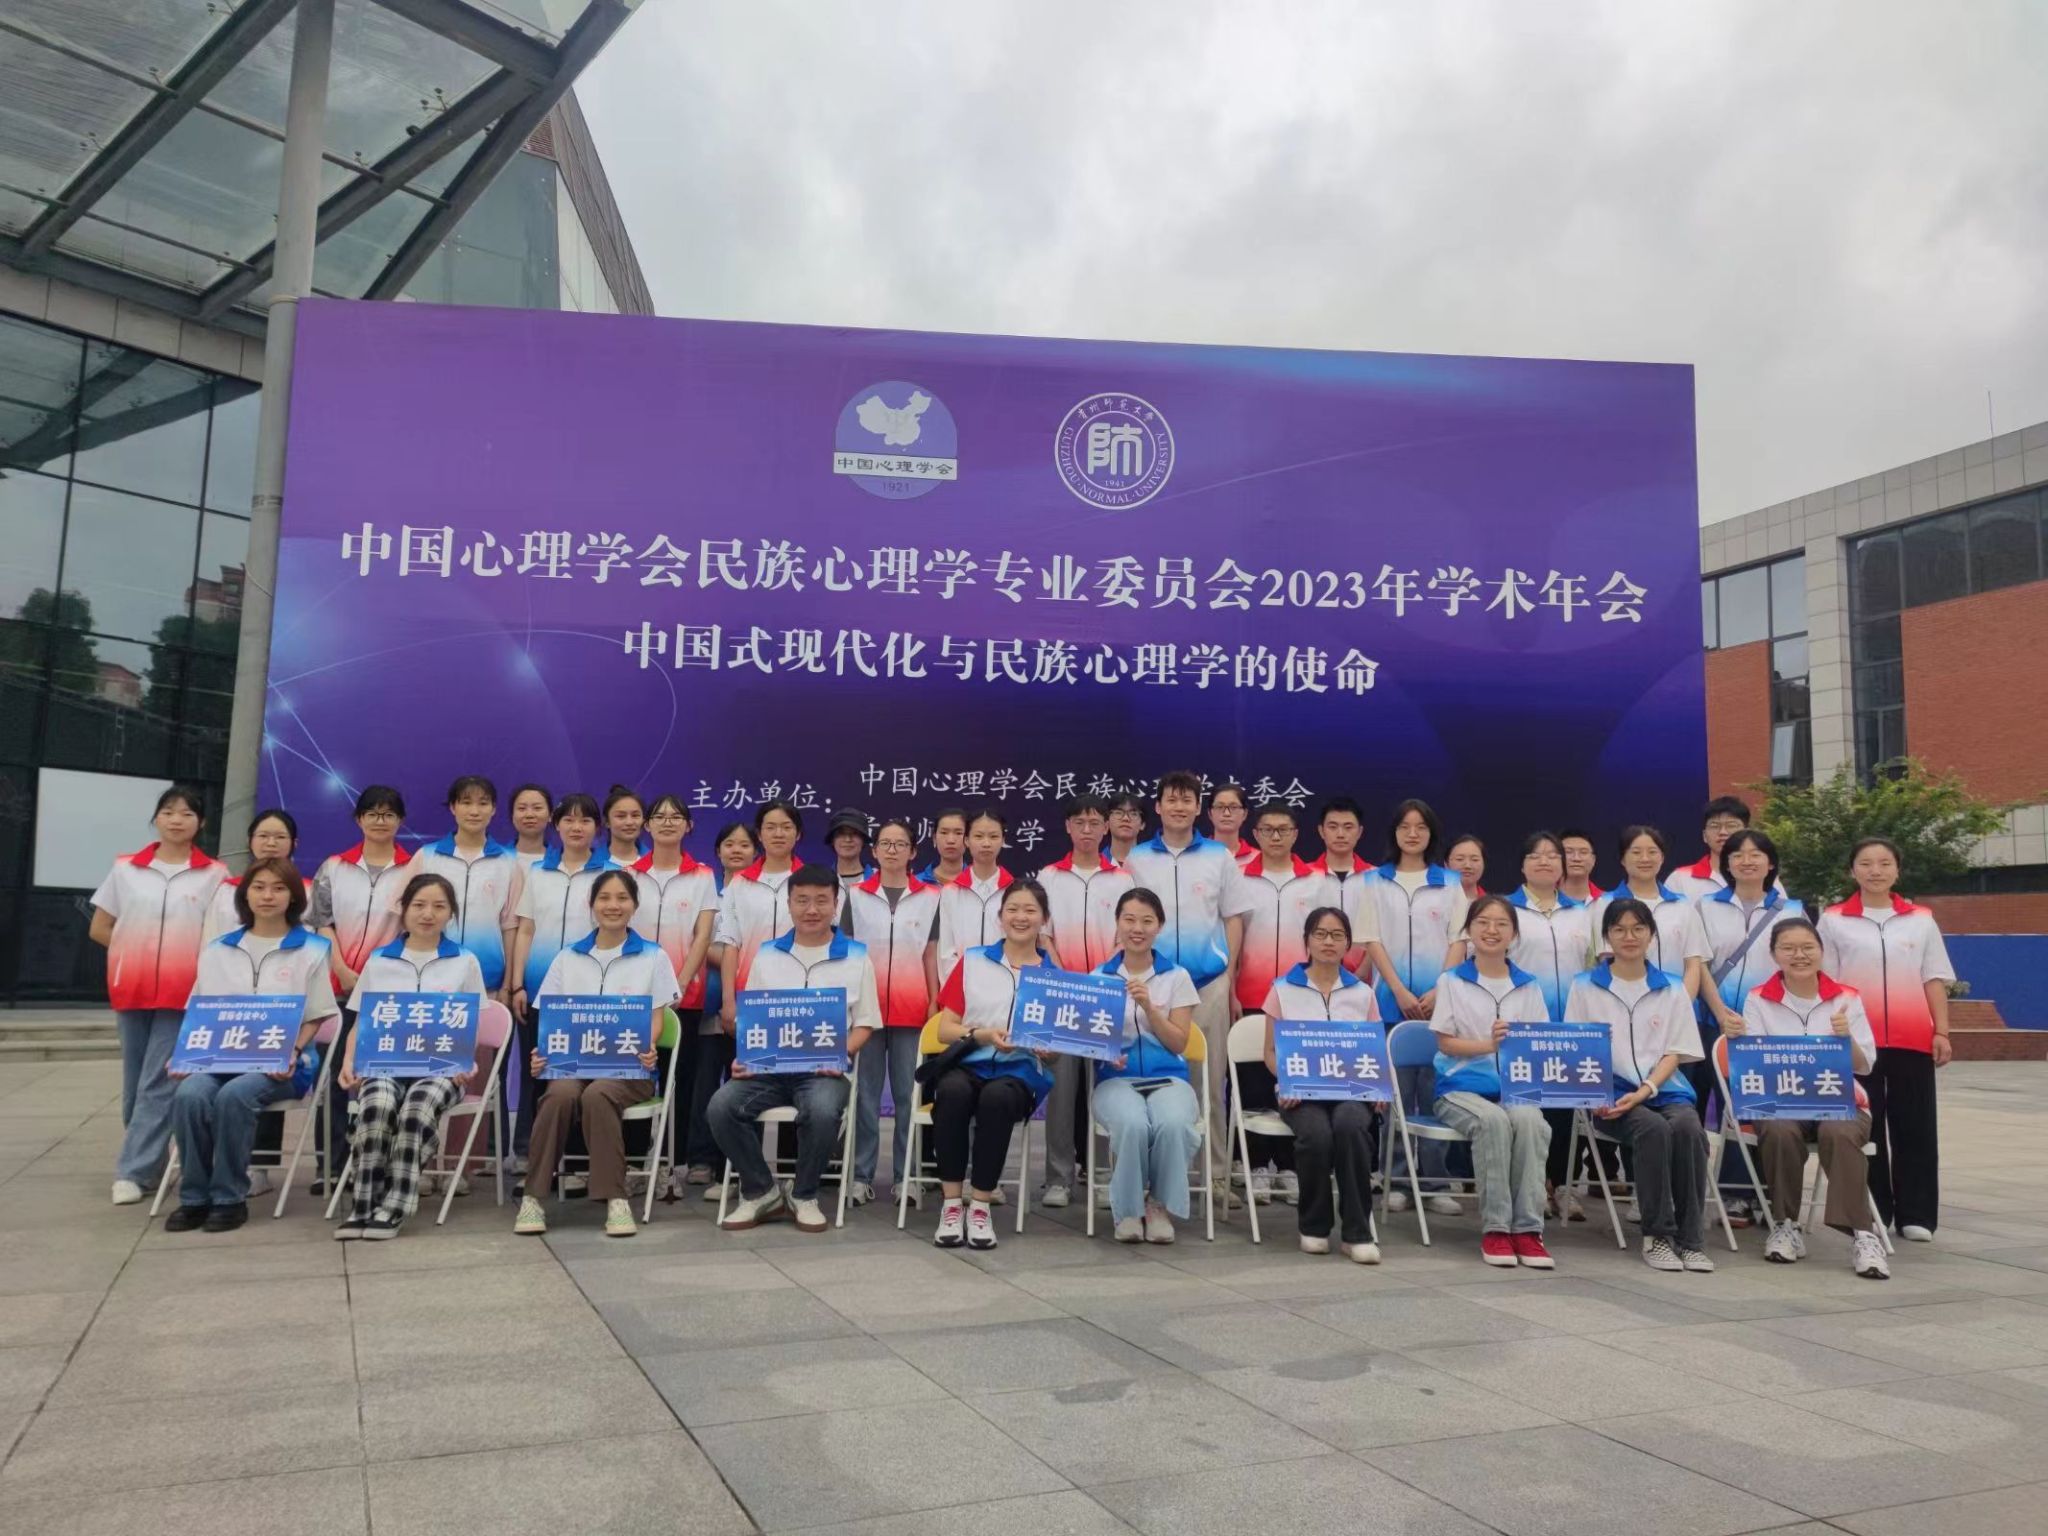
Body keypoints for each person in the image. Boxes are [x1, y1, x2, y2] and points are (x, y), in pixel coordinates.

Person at [165, 858, 336, 1232]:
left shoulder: (312, 949)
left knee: (234, 1096)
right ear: (245, 895)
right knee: (189, 1096)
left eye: (278, 888)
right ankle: (194, 1197)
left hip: (286, 1064)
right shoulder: (218, 949)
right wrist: (184, 1055)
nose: (267, 896)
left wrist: (293, 1051)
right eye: (259, 887)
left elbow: (317, 1015)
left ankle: (229, 1197)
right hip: (221, 1059)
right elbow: (201, 1011)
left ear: (294, 897)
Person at [710, 864, 880, 1231]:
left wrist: (843, 1054)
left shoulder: (856, 957)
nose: (811, 909)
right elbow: (754, 1018)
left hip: (824, 1071)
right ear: (789, 904)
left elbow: (865, 1023)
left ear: (836, 905)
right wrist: (744, 1057)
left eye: (821, 901)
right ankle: (761, 1191)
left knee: (821, 1110)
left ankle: (804, 1194)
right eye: (802, 900)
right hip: (768, 1070)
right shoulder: (767, 954)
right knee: (722, 1107)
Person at [515, 870, 677, 1238]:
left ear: (634, 905)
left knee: (599, 1093)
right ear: (591, 905)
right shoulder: (567, 957)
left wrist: (648, 1047)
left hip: (629, 1069)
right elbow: (552, 1020)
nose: (613, 905)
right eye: (604, 898)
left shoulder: (653, 957)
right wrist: (542, 1055)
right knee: (558, 1095)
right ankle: (533, 1197)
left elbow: (656, 1018)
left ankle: (615, 1198)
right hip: (572, 1067)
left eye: (622, 898)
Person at [92, 784, 227, 1206]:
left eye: (187, 813)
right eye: (168, 812)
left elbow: (216, 934)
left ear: (200, 823)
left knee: (159, 1080)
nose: (176, 820)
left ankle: (131, 1171)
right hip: (130, 987)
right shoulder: (126, 869)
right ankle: (150, 1164)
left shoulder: (214, 874)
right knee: (134, 1083)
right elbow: (100, 927)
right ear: (156, 819)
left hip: (181, 992)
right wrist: (129, 953)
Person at [334, 873, 489, 1240]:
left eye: (439, 906)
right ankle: (363, 1206)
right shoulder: (380, 960)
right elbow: (362, 1022)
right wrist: (348, 1060)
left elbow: (472, 1025)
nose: (428, 914)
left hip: (441, 1072)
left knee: (417, 1108)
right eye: (419, 905)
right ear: (403, 910)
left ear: (451, 913)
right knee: (377, 1106)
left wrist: (465, 1062)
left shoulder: (465, 961)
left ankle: (395, 1206)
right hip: (385, 1066)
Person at [1732, 916, 1888, 1277]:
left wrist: (1846, 1038)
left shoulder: (1847, 998)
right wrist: (1737, 1035)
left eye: (1807, 947)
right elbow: (1753, 1060)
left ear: (1821, 950)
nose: (1798, 955)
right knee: (1779, 1130)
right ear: (1774, 954)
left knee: (1840, 1132)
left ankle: (1863, 1234)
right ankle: (1785, 1224)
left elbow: (1864, 1065)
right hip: (1781, 1102)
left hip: (1839, 1100)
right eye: (1788, 948)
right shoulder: (1758, 999)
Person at [1818, 838, 1956, 1243]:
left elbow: (1934, 978)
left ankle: (1918, 1214)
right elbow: (1825, 983)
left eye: (1884, 863)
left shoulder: (1921, 920)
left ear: (1897, 870)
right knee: (1867, 1124)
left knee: (1916, 1124)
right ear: (1852, 871)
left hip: (1912, 1036)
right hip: (1856, 1041)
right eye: (1865, 863)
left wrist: (1942, 1030)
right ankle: (1875, 1209)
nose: (1875, 871)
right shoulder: (1833, 920)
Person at [1567, 898, 1713, 1273]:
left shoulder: (1672, 988)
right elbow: (1577, 1049)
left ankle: (1691, 1240)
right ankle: (1658, 1235)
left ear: (1651, 935)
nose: (1629, 936)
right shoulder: (1584, 987)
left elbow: (1675, 1051)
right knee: (1653, 1129)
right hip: (1610, 1094)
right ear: (1606, 937)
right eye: (1619, 929)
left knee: (1688, 1127)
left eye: (1638, 928)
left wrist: (1646, 1089)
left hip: (1664, 1088)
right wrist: (1598, 1097)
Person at [1127, 770, 1248, 1202]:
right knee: (1146, 1081)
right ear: (1158, 807)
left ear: (1199, 808)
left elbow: (1233, 918)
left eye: (1187, 800)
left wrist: (1228, 977)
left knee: (1210, 1084)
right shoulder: (1138, 858)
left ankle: (1214, 1176)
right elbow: (1127, 922)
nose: (1179, 807)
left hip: (1208, 984)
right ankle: (1148, 1179)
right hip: (1153, 986)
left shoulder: (1219, 856)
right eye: (1171, 800)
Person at [928, 880, 1060, 1250]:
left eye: (1030, 910)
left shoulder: (1052, 977)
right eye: (1013, 909)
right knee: (951, 1092)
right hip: (969, 1062)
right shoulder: (973, 961)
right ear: (1000, 917)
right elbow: (945, 1029)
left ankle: (981, 1206)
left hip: (1018, 1071)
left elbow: (1055, 1052)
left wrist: (1047, 1050)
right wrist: (983, 1035)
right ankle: (952, 1205)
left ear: (1044, 919)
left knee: (997, 1099)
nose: (1021, 917)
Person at [1429, 896, 1555, 1267]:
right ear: (1469, 930)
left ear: (1513, 934)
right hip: (1459, 1088)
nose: (1491, 930)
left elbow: (1540, 1042)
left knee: (1532, 1122)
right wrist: (1490, 1045)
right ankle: (1497, 1229)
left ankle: (1528, 1230)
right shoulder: (1451, 981)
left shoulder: (1528, 985)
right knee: (1493, 1121)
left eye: (1501, 924)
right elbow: (1445, 1043)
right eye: (1483, 922)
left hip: (1514, 1089)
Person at [1696, 828, 1807, 1224]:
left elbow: (1800, 965)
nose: (1747, 861)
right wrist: (1720, 1011)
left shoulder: (1791, 910)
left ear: (1770, 862)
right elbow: (1699, 963)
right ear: (1726, 864)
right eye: (1738, 854)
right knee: (1732, 1105)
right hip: (1718, 1021)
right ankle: (1736, 1194)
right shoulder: (1705, 907)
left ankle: (1771, 1194)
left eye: (1756, 854)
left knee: (1769, 1103)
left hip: (1772, 1024)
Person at [1262, 908, 1383, 1262]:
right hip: (1301, 1094)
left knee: (1352, 1127)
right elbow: (1269, 1052)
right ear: (1307, 941)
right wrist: (1287, 1082)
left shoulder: (1363, 993)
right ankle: (1313, 1226)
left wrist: (1378, 1089)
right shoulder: (1282, 989)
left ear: (1348, 943)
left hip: (1350, 1092)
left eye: (1337, 935)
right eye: (1320, 934)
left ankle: (1357, 1233)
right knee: (1316, 1134)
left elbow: (1373, 1049)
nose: (1328, 941)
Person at [309, 784, 414, 1185]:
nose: (380, 821)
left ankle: (379, 1164)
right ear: (359, 819)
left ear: (400, 821)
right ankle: (330, 1167)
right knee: (332, 1078)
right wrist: (341, 967)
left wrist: (377, 975)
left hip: (389, 992)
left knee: (385, 1079)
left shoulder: (412, 870)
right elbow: (322, 922)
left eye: (388, 814)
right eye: (372, 813)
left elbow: (413, 928)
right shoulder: (334, 866)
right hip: (337, 986)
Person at [1037, 794, 1134, 1207]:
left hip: (1105, 995)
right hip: (1062, 996)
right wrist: (1063, 977)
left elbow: (1125, 936)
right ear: (1068, 827)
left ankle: (1102, 1173)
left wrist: (1099, 979)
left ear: (1106, 827)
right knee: (1061, 1091)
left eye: (1095, 822)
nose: (1088, 830)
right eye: (1080, 822)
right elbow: (1043, 935)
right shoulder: (1049, 876)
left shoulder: (1122, 880)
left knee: (1104, 1085)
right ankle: (1059, 1178)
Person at [1092, 889, 1202, 1242]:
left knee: (1173, 1123)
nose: (1137, 928)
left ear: (1159, 926)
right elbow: (1089, 1043)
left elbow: (1178, 1043)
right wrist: (1106, 1054)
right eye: (1129, 919)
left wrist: (1151, 1009)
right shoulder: (1099, 976)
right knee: (1132, 1123)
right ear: (1117, 923)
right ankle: (1128, 1210)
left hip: (1169, 1079)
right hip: (1116, 1080)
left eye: (1146, 921)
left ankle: (1158, 1205)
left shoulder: (1177, 977)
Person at [508, 793, 614, 1160]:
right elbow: (525, 930)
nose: (576, 827)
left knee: (581, 1076)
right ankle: (528, 1154)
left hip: (590, 996)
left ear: (597, 828)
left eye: (585, 820)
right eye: (568, 820)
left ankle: (579, 1159)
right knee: (535, 1071)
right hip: (539, 990)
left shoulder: (610, 874)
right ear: (556, 826)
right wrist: (518, 984)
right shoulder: (538, 873)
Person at [842, 819, 939, 1207]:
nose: (893, 850)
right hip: (866, 1011)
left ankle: (906, 1176)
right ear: (874, 851)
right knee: (864, 1095)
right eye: (886, 843)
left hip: (912, 1006)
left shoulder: (930, 897)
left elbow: (930, 954)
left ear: (913, 852)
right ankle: (861, 1175)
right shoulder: (856, 896)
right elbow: (847, 952)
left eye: (901, 844)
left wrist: (933, 999)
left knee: (906, 1096)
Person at [630, 793, 717, 1187]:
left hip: (686, 995)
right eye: (659, 816)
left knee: (682, 1079)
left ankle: (677, 1162)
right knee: (635, 1075)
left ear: (689, 826)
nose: (667, 822)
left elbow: (703, 935)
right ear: (647, 825)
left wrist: (680, 982)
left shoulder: (702, 875)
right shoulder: (629, 875)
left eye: (676, 816)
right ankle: (634, 1161)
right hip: (635, 996)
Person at [1510, 832, 1598, 1222]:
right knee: (1530, 1109)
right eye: (1535, 855)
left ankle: (1562, 1184)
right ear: (1522, 865)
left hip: (1571, 1030)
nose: (1544, 861)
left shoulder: (1583, 913)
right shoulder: (1506, 911)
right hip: (1524, 1028)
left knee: (1564, 1111)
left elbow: (1595, 967)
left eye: (1552, 855)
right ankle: (1532, 1185)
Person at [683, 822, 760, 1191]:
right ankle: (701, 1158)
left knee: (744, 1084)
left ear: (755, 852)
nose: (736, 850)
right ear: (717, 851)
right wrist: (734, 954)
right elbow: (695, 943)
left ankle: (739, 1162)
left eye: (744, 845)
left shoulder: (761, 895)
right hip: (711, 1003)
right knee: (705, 1082)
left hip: (753, 1005)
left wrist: (734, 955)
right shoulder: (707, 894)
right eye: (729, 844)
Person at [409, 775, 524, 1006]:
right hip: (430, 979)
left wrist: (507, 985)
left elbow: (510, 927)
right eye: (466, 802)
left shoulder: (509, 862)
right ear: (453, 807)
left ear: (493, 809)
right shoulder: (427, 856)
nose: (474, 811)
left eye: (483, 803)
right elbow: (405, 916)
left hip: (488, 982)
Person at [714, 799, 807, 1017]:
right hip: (751, 990)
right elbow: (731, 945)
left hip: (802, 991)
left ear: (798, 834)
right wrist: (728, 1001)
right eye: (770, 827)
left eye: (786, 827)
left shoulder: (811, 881)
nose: (778, 834)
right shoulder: (739, 884)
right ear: (759, 834)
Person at [932, 807, 1015, 990]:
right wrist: (963, 989)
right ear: (967, 840)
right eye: (978, 836)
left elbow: (1020, 947)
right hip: (961, 991)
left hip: (1005, 989)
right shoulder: (950, 892)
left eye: (993, 836)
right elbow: (946, 952)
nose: (986, 843)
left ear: (1003, 840)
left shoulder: (1014, 891)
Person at [202, 809, 299, 943]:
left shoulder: (307, 891)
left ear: (294, 843)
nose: (271, 843)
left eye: (280, 837)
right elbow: (211, 940)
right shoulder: (227, 891)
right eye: (263, 836)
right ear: (249, 841)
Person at [1307, 797, 1374, 974]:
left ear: (1360, 832)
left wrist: (1361, 974)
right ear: (1321, 831)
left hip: (1366, 978)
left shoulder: (1376, 877)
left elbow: (1383, 932)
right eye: (1333, 827)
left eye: (1348, 827)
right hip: (1314, 976)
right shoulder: (1304, 876)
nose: (1340, 834)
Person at [1667, 796, 1759, 901]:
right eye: (1715, 826)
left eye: (1731, 825)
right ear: (1704, 836)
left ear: (1747, 833)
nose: (1723, 832)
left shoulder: (1763, 876)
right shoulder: (1681, 878)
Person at [915, 806, 968, 888]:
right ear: (934, 838)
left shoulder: (977, 883)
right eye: (944, 832)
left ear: (968, 839)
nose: (950, 840)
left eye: (958, 833)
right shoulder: (917, 883)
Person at [826, 810, 876, 892]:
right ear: (832, 840)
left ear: (863, 840)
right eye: (841, 833)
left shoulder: (880, 879)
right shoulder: (821, 881)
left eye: (855, 833)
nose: (848, 839)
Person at [508, 783, 554, 870]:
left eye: (537, 808)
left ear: (550, 816)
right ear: (512, 816)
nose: (529, 815)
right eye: (522, 808)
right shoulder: (496, 859)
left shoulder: (561, 861)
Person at [1207, 781, 1253, 861]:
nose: (1227, 813)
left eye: (1234, 807)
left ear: (1244, 814)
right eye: (1220, 807)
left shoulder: (1258, 858)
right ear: (1210, 813)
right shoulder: (1195, 855)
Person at [603, 784, 647, 866]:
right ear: (607, 822)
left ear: (643, 821)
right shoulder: (590, 865)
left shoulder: (656, 863)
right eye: (621, 816)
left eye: (635, 815)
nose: (629, 822)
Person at [1559, 829, 1604, 906]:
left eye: (1583, 852)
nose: (1576, 858)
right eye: (1568, 852)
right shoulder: (1540, 900)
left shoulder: (1607, 901)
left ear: (1593, 860)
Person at [1106, 792, 1147, 865]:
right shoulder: (1093, 864)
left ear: (1142, 824)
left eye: (1133, 814)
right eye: (1118, 813)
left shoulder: (1155, 864)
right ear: (1107, 822)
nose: (1125, 818)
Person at [1445, 835, 1487, 899]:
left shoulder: (1491, 904)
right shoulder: (1433, 899)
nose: (1467, 865)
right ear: (1446, 865)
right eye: (1459, 859)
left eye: (1475, 859)